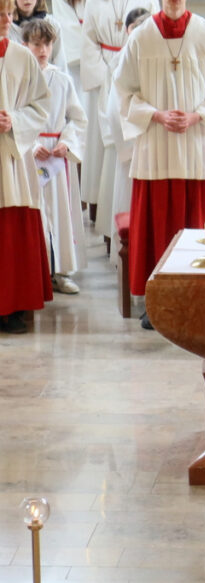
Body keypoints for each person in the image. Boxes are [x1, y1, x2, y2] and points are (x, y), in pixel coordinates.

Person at [113, 0, 205, 328]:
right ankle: (156, 305)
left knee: (195, 224)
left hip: (195, 148)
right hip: (155, 147)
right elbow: (122, 91)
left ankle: (199, 302)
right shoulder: (140, 37)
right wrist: (156, 115)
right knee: (156, 226)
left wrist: (197, 116)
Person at [24, 18, 87, 295]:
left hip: (56, 157)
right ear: (25, 45)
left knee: (60, 215)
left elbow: (78, 118)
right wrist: (31, 144)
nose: (42, 50)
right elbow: (15, 119)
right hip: (29, 156)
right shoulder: (19, 79)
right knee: (34, 214)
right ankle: (34, 273)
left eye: (47, 44)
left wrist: (67, 142)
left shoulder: (62, 79)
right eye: (36, 44)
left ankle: (60, 272)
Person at [0, 0, 52, 335]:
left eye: (9, 13)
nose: (7, 20)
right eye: (0, 14)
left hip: (12, 158)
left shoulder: (22, 56)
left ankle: (12, 307)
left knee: (12, 232)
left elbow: (41, 104)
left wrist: (14, 121)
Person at [81, 0, 158, 226]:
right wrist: (106, 74)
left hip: (139, 67)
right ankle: (98, 206)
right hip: (103, 71)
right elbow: (88, 39)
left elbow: (155, 34)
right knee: (104, 150)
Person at [96, 6, 147, 259]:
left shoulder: (151, 59)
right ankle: (129, 262)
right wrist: (129, 146)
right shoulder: (120, 62)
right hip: (131, 149)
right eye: (137, 29)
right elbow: (112, 109)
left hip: (150, 146)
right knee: (128, 205)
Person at [10, 0, 66, 70]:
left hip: (49, 74)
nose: (27, 0)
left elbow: (60, 61)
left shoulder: (52, 24)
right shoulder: (6, 27)